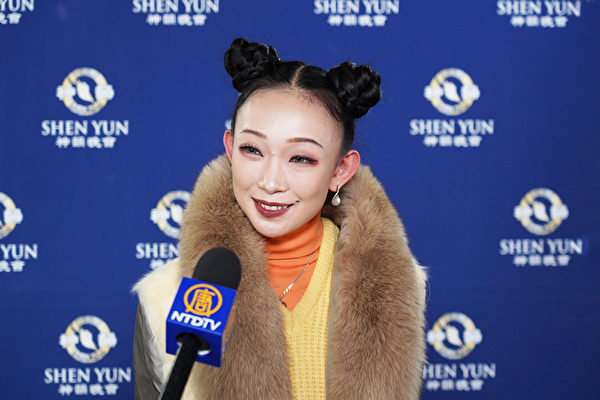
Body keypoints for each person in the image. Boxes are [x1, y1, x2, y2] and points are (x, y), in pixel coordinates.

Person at [133, 37, 427, 400]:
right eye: (252, 150)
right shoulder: (163, 297)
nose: (270, 182)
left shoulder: (398, 288)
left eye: (301, 158)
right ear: (230, 149)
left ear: (340, 170)